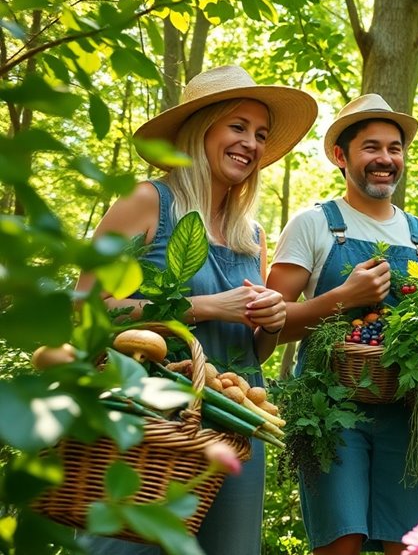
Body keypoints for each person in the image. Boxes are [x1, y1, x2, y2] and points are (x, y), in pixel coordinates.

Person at [76, 65, 317, 554]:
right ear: (200, 129)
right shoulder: (147, 202)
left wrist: (270, 320)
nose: (251, 143)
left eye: (261, 135)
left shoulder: (254, 238)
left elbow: (252, 354)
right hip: (147, 422)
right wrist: (206, 306)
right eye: (238, 127)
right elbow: (86, 313)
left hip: (235, 427)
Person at [267, 93, 418, 555]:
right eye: (371, 147)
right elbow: (269, 325)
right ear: (342, 156)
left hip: (408, 412)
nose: (385, 159)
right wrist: (341, 299)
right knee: (342, 541)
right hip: (329, 412)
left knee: (412, 544)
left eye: (394, 148)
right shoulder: (313, 225)